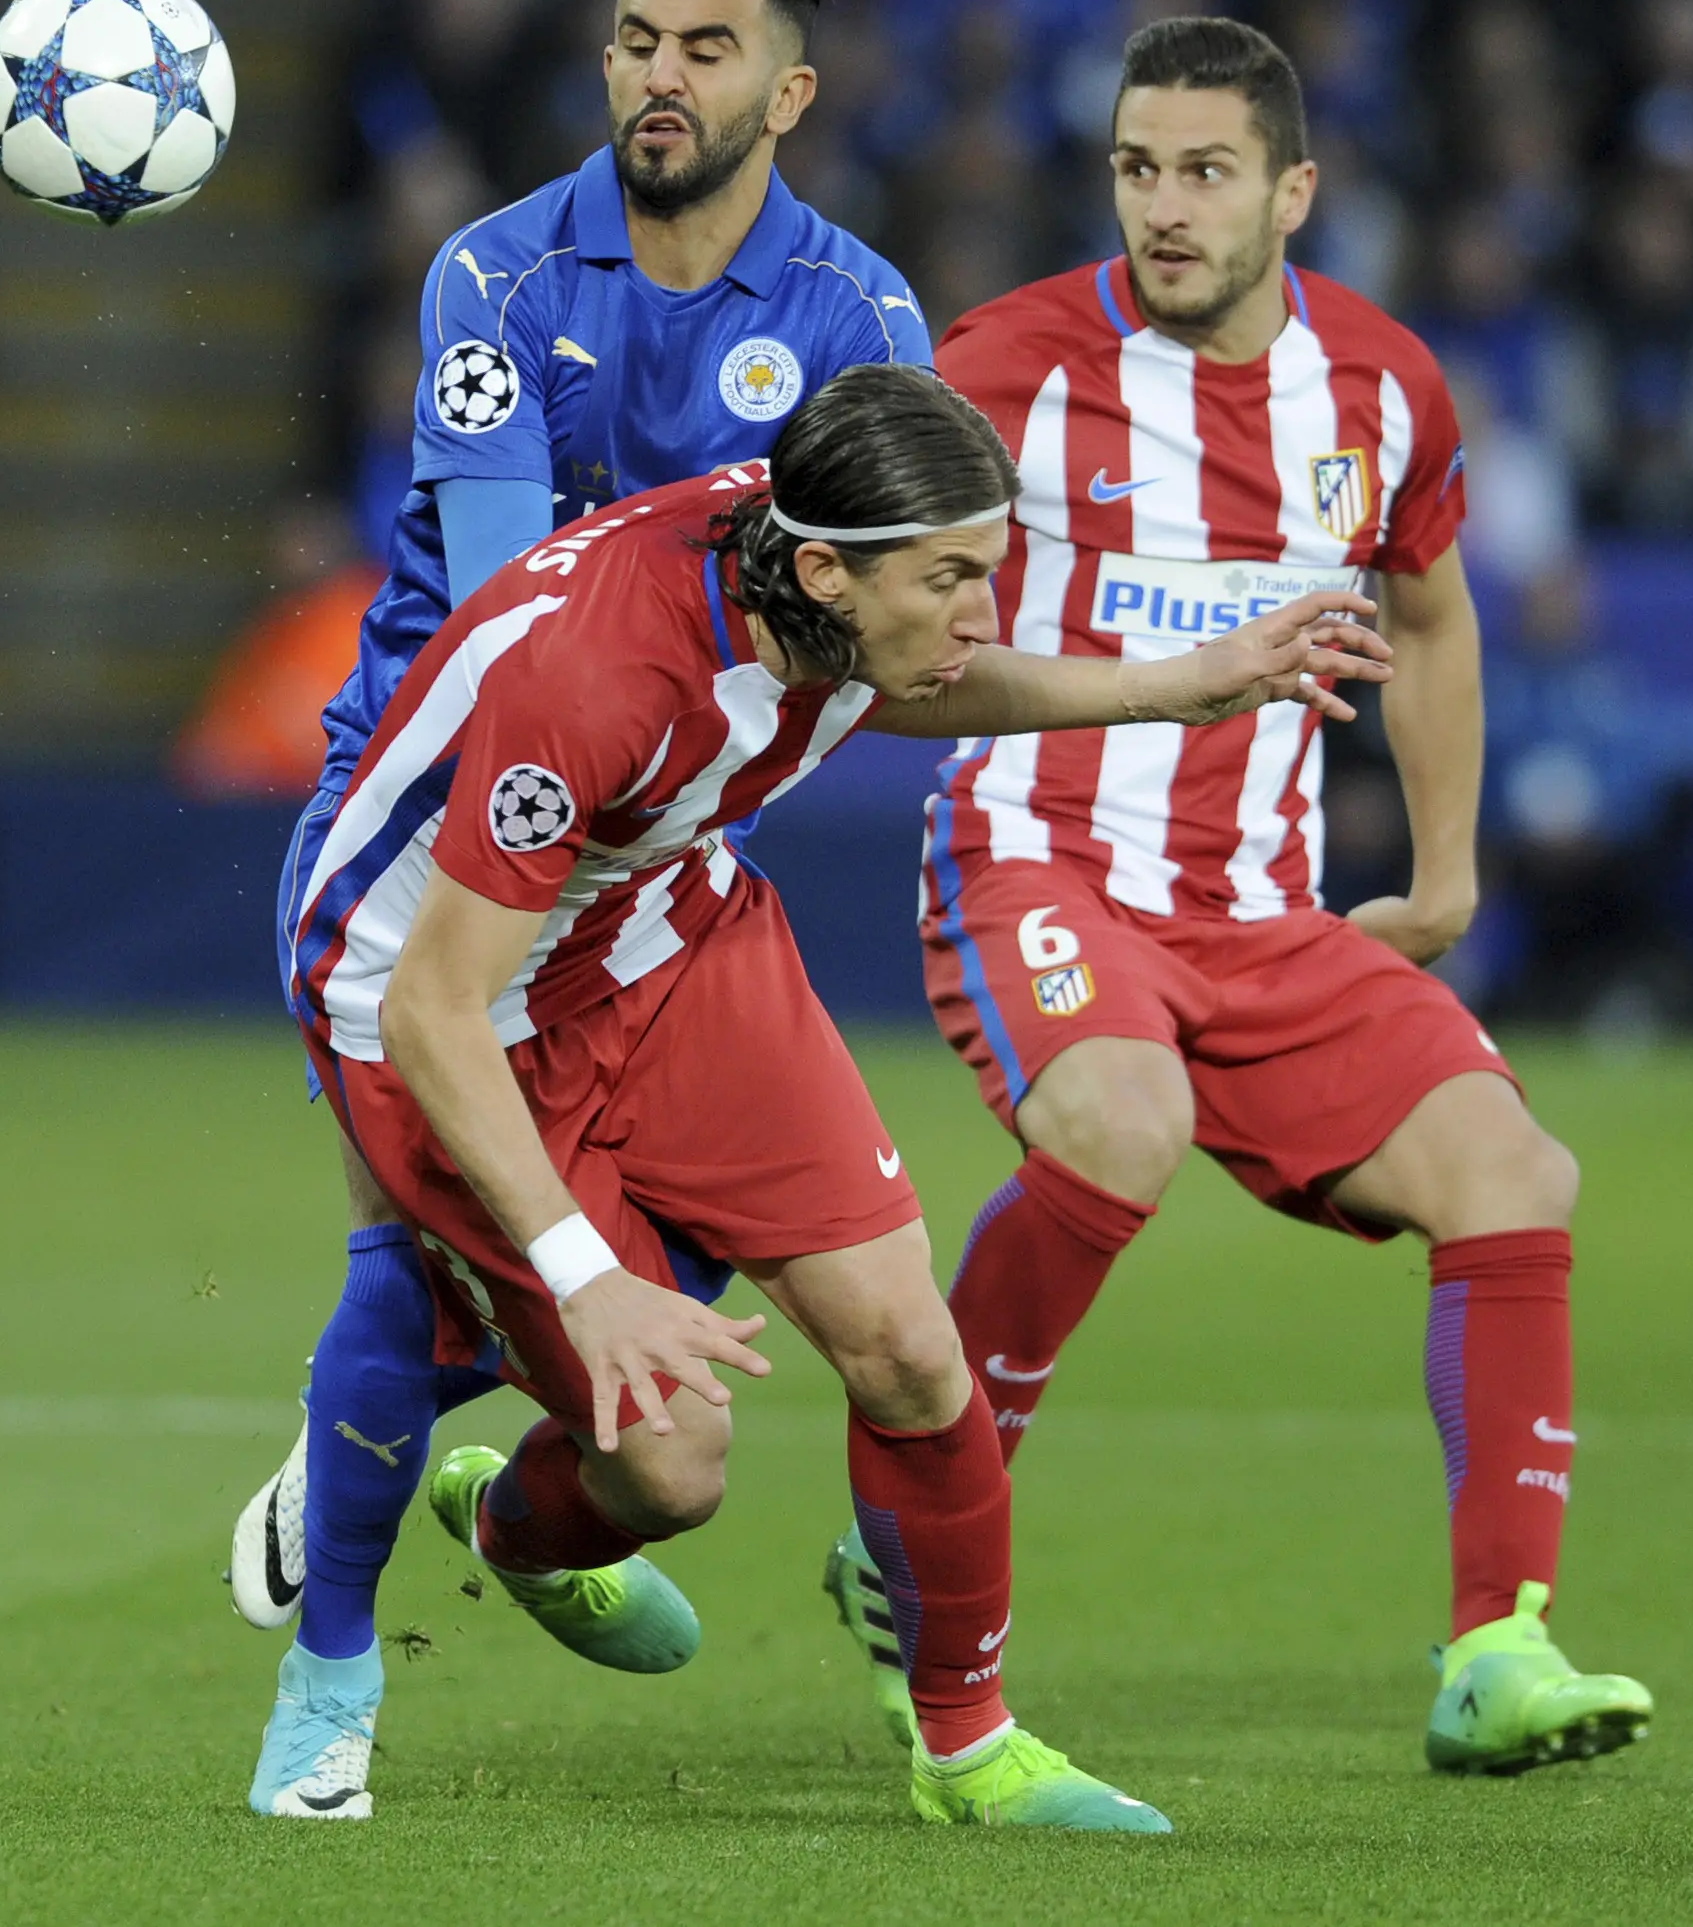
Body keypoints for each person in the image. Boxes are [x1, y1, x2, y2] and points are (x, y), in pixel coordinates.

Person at [277, 363, 1391, 1827]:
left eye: (988, 569)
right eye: (954, 577)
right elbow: (430, 1002)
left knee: (913, 1356)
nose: (981, 613)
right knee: (673, 1466)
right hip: (436, 1004)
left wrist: (1182, 680)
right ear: (821, 570)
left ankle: (969, 1748)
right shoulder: (599, 675)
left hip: (661, 931)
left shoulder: (817, 585)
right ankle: (405, 1610)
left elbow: (924, 675)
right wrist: (580, 1274)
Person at [824, 17, 1652, 1778]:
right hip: (1036, 851)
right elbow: (869, 632)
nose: (1162, 207)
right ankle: (919, 1514)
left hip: (1260, 906)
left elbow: (1428, 614)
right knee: (1123, 1114)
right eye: (1135, 166)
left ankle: (1500, 1644)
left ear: (1294, 189)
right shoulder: (1008, 367)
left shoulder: (1382, 388)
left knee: (1515, 1171)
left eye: (1203, 171)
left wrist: (1440, 876)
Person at [234, 0, 937, 1819]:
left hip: (661, 848)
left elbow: (880, 602)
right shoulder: (496, 270)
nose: (656, 75)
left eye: (706, 49)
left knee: (681, 1274)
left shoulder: (863, 321)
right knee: (421, 1247)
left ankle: (462, 1445)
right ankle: (330, 1678)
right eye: (635, 39)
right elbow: (510, 614)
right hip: (448, 819)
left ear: (786, 92)